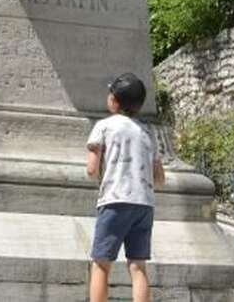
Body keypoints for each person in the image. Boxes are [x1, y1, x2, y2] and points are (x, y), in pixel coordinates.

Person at [86, 73, 166, 302]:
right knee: (138, 266)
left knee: (101, 264)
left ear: (114, 101)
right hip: (144, 204)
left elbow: (91, 170)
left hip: (114, 200)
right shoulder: (148, 132)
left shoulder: (103, 127)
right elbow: (159, 178)